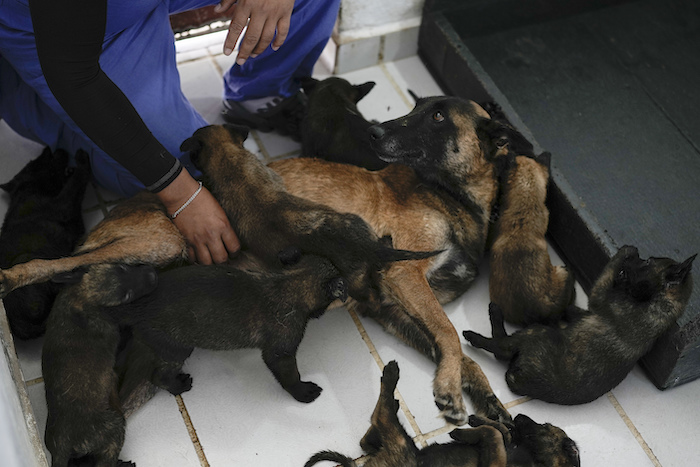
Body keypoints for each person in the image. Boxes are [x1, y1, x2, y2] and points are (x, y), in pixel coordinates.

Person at [0, 0, 341, 265]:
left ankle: (263, 94)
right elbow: (74, 76)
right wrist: (180, 195)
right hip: (64, 33)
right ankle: (33, 105)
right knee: (187, 163)